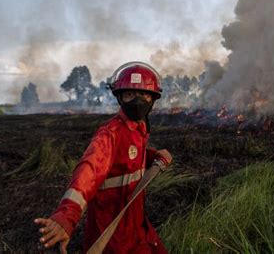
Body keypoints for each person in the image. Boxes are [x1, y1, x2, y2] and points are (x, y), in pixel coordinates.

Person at [34, 62, 173, 254]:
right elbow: (88, 171)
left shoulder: (139, 128)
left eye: (144, 94)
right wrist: (67, 216)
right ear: (120, 98)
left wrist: (153, 156)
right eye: (130, 94)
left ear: (153, 99)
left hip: (137, 225)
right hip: (111, 234)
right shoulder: (109, 134)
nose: (137, 101)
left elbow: (129, 159)